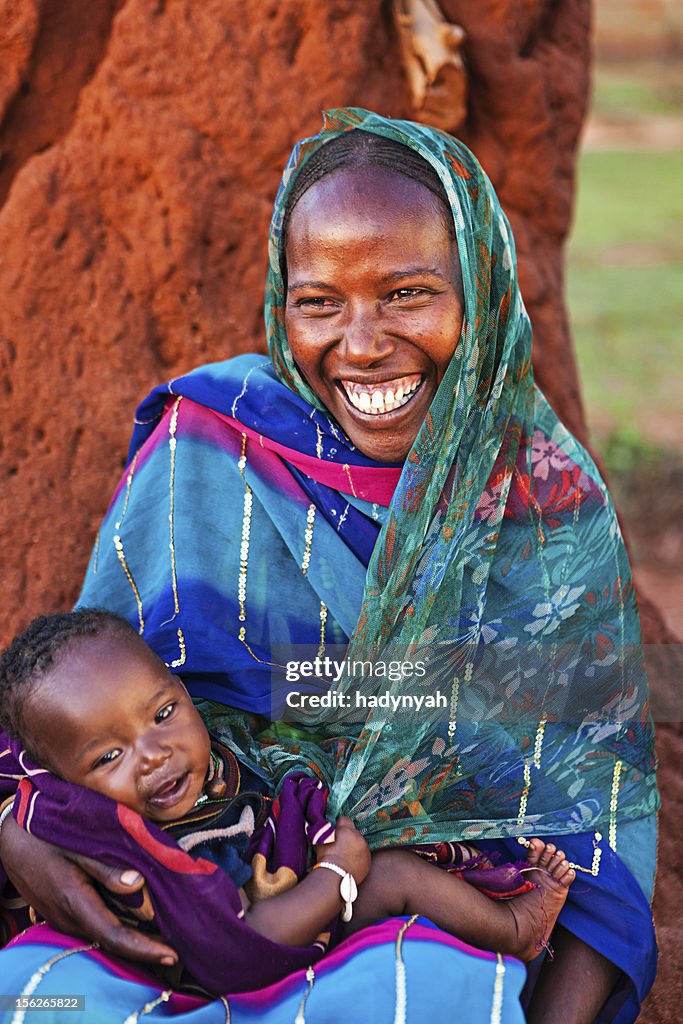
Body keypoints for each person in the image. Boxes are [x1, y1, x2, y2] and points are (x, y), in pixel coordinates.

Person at [0, 108, 657, 1024]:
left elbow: (591, 823)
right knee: (40, 999)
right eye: (319, 302)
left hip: (409, 917)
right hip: (176, 914)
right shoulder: (212, 450)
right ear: (281, 302)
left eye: (406, 293)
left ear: (485, 293)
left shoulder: (539, 502)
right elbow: (67, 713)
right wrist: (16, 831)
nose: (359, 343)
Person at [0, 608, 574, 994]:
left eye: (164, 713)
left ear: (182, 689)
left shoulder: (213, 755)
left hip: (288, 891)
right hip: (244, 957)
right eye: (108, 757)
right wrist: (335, 877)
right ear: (58, 779)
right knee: (392, 875)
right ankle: (514, 929)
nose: (152, 754)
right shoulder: (131, 850)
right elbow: (240, 941)